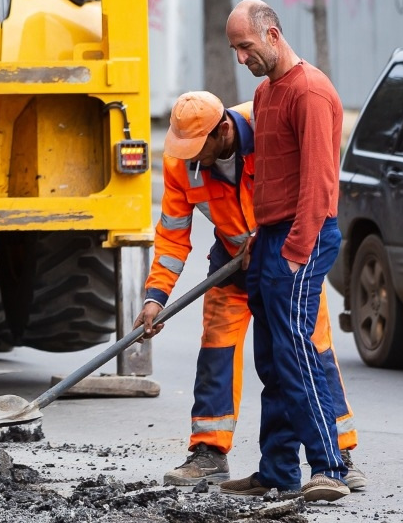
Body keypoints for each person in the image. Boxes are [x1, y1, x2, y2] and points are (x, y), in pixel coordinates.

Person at [139, 90, 365, 493]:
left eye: (198, 148)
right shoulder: (181, 163)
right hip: (232, 264)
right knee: (216, 350)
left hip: (289, 261)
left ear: (223, 130)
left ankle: (341, 453)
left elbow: (311, 187)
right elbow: (172, 236)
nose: (191, 158)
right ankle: (209, 451)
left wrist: (267, 238)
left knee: (309, 349)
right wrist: (155, 296)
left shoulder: (268, 130)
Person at [216, 0, 353, 502]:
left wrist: (295, 249)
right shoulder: (266, 92)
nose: (240, 57)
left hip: (305, 235)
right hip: (273, 237)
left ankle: (330, 468)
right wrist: (260, 234)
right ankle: (277, 470)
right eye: (234, 49)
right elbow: (273, 177)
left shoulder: (310, 92)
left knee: (296, 351)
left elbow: (318, 184)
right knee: (273, 359)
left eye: (245, 46)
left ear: (272, 35)